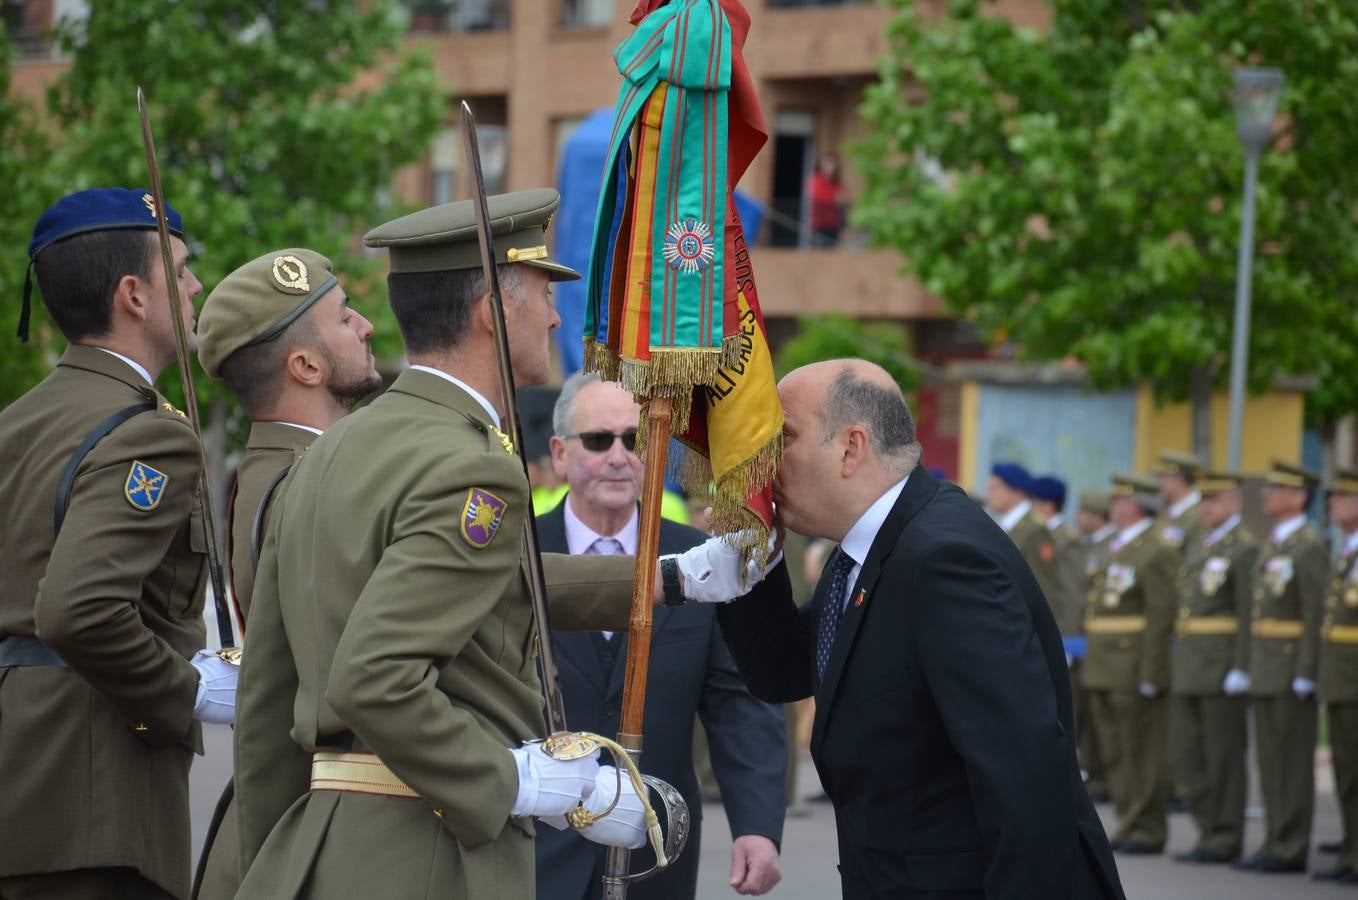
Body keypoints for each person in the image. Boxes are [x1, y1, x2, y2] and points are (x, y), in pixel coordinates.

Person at [232, 189, 659, 899]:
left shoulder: (327, 454)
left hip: (317, 850)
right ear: (492, 311)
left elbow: (267, 707)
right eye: (543, 291)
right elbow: (374, 679)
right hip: (426, 857)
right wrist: (519, 782)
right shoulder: (475, 466)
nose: (556, 314)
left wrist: (273, 868)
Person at [669, 359, 1125, 899]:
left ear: (851, 448)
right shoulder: (869, 546)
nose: (762, 463)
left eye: (782, 438)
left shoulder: (943, 558)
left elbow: (1024, 779)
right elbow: (786, 669)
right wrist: (756, 560)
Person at [0, 188, 232, 899]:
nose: (196, 287)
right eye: (183, 270)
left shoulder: (16, 422)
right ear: (133, 294)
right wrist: (189, 689)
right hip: (93, 805)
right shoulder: (148, 433)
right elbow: (76, 610)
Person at [534, 372, 786, 900]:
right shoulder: (517, 553)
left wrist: (758, 825)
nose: (619, 456)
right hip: (534, 853)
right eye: (599, 440)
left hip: (655, 855)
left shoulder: (702, 561)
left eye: (635, 439)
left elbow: (738, 700)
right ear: (559, 454)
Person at [190, 247, 381, 900]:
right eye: (346, 317)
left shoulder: (281, 471)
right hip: (317, 832)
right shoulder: (312, 485)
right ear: (305, 364)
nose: (366, 328)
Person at [1235, 461, 1327, 875]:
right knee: (1270, 762)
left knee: (1291, 763)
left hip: (1290, 669)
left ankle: (1290, 846)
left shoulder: (1309, 546)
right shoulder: (1274, 544)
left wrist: (1307, 670)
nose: (1266, 495)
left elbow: (1314, 613)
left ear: (1298, 497)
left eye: (1277, 489)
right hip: (1266, 667)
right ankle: (1274, 840)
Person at [1083, 473, 1177, 855]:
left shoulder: (1156, 549)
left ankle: (1148, 827)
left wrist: (1152, 672)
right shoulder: (1114, 547)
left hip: (1133, 663)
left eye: (1121, 501)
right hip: (1104, 663)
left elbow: (1160, 615)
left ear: (1135, 505)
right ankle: (1128, 820)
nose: (1114, 507)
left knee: (1142, 750)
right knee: (1116, 751)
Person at [1168, 471, 1257, 865]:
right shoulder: (1202, 544)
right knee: (1189, 756)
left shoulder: (1244, 547)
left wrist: (1242, 666)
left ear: (1236, 503)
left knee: (1222, 757)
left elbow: (1247, 612)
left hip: (1221, 667)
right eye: (1204, 500)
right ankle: (1208, 830)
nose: (1207, 508)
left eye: (1216, 500)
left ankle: (1225, 835)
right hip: (1190, 665)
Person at [1316, 467, 1358, 883]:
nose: (1333, 504)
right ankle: (1351, 853)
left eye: (1344, 496)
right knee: (1347, 772)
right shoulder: (1347, 549)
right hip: (1343, 677)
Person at [1073, 489, 1115, 804]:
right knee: (1088, 717)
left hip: (1105, 645)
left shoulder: (1110, 547)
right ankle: (1095, 774)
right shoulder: (1088, 546)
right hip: (1087, 641)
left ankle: (1105, 778)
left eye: (1084, 512)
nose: (1079, 517)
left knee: (1102, 720)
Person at [987, 462, 1065, 630]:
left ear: (1015, 491)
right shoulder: (1004, 526)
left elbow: (1045, 586)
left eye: (995, 488)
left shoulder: (1035, 529)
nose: (989, 494)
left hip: (1023, 624)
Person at [1032, 474, 1086, 638]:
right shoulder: (1037, 534)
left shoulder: (1067, 539)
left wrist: (1067, 637)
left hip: (1057, 629)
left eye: (1034, 502)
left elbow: (1071, 592)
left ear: (1047, 505)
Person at [1155, 451, 1205, 551]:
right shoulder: (1170, 512)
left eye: (1164, 478)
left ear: (1179, 480)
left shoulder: (1199, 511)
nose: (1159, 483)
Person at [806, 154, 845, 247]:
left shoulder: (836, 182)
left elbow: (844, 197)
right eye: (827, 164)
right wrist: (834, 198)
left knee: (832, 251)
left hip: (834, 223)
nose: (829, 167)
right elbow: (816, 196)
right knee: (821, 251)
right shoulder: (815, 180)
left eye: (832, 164)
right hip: (819, 223)